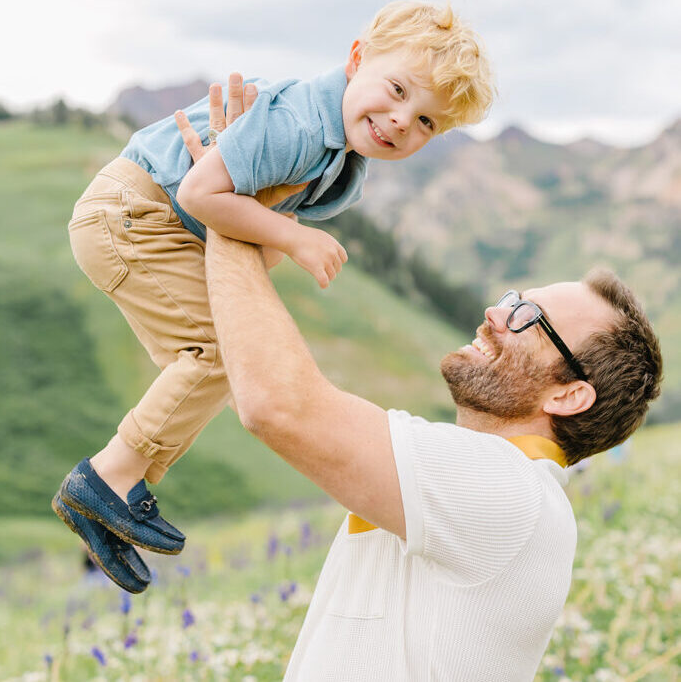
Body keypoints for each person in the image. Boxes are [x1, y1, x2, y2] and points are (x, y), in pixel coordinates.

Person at [178, 81, 662, 682]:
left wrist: (228, 202)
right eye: (513, 297)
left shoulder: (508, 490)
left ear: (569, 394)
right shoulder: (485, 489)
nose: (495, 313)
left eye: (528, 318)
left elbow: (281, 406)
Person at [52, 1, 494, 593]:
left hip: (151, 224)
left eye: (426, 123)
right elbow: (202, 193)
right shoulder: (303, 125)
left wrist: (271, 238)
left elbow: (245, 230)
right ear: (357, 58)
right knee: (216, 352)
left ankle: (113, 492)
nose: (399, 121)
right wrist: (293, 235)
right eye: (395, 89)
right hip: (132, 217)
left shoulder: (340, 164)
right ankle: (106, 479)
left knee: (231, 362)